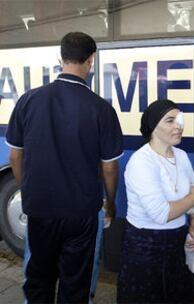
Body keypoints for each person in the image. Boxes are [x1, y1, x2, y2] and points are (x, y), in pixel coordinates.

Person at [5, 32, 123, 303]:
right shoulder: (101, 109)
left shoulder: (28, 100)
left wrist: (28, 191)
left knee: (38, 281)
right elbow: (109, 168)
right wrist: (111, 203)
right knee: (76, 285)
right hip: (81, 213)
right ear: (91, 60)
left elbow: (15, 157)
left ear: (60, 58)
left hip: (40, 209)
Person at [117, 99, 194, 303]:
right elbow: (161, 213)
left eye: (180, 120)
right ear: (153, 127)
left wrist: (193, 226)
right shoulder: (141, 162)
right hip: (145, 249)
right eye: (170, 121)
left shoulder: (182, 156)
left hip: (175, 245)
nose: (179, 125)